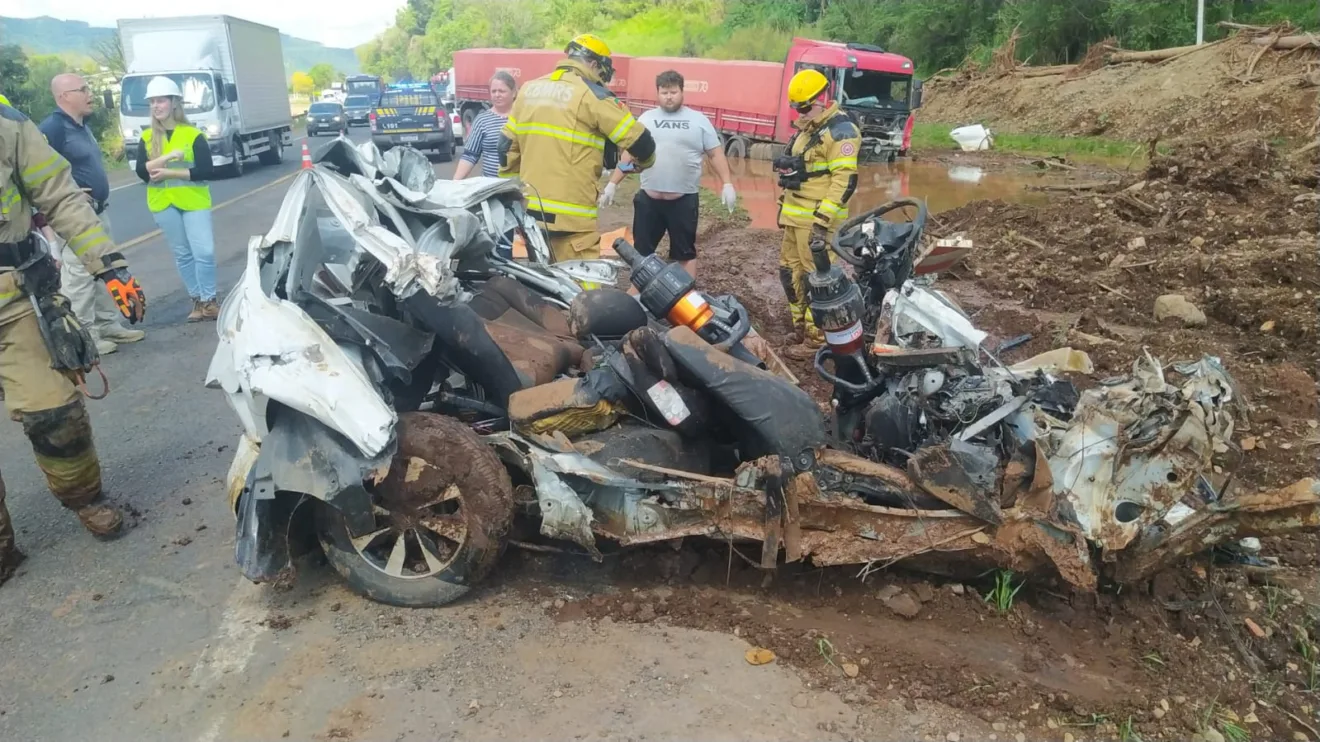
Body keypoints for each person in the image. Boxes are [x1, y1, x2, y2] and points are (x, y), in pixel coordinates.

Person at [0, 95, 148, 585]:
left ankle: (85, 499)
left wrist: (109, 266)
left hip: (13, 299)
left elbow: (61, 196)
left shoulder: (7, 122)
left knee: (56, 415)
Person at [499, 33, 657, 265]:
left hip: (531, 213)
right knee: (583, 286)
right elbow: (641, 142)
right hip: (572, 219)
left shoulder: (528, 90)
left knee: (544, 282)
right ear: (594, 64)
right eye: (602, 72)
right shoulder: (593, 95)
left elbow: (505, 148)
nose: (602, 79)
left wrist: (513, 199)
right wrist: (645, 163)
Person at [40, 73, 147, 355]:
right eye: (83, 89)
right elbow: (41, 174)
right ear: (64, 96)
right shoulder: (53, 129)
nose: (90, 93)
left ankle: (107, 324)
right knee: (78, 275)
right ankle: (85, 334)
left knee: (102, 270)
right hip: (74, 217)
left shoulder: (82, 125)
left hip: (98, 212)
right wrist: (72, 191)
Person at [601, 69, 736, 279]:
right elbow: (629, 157)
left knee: (685, 254)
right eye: (664, 92)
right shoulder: (646, 119)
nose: (669, 96)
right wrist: (613, 183)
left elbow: (715, 154)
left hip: (683, 201)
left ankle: (688, 300)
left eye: (673, 92)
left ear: (682, 92)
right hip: (649, 202)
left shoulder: (698, 120)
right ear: (658, 93)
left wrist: (727, 184)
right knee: (641, 253)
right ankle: (639, 296)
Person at [773, 68, 861, 357]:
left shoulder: (841, 132)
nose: (802, 113)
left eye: (807, 107)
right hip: (794, 218)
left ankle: (817, 338)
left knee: (816, 278)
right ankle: (801, 327)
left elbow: (844, 180)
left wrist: (822, 222)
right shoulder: (808, 130)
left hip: (815, 222)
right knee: (790, 272)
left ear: (823, 98)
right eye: (798, 108)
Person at [134, 76, 218, 322]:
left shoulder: (193, 135)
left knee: (205, 251)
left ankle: (209, 299)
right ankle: (198, 300)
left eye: (160, 101)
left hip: (194, 201)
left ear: (174, 103)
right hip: (163, 203)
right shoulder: (147, 138)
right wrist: (168, 156)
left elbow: (207, 170)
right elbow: (142, 171)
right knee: (182, 254)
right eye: (152, 102)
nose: (155, 106)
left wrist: (171, 172)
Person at [454, 72, 517, 181]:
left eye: (502, 91)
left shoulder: (523, 119)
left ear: (514, 93)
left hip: (520, 189)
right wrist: (455, 182)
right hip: (490, 190)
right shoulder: (482, 120)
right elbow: (470, 155)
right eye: (494, 91)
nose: (497, 95)